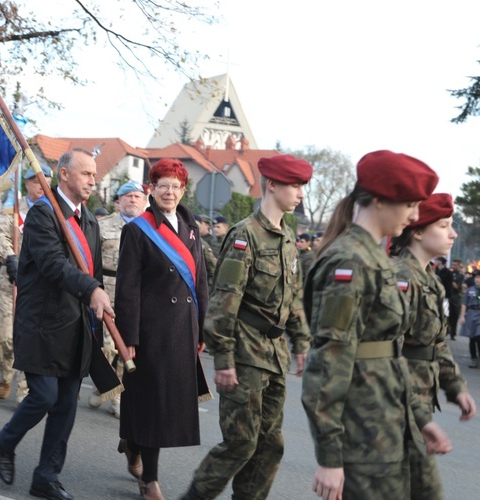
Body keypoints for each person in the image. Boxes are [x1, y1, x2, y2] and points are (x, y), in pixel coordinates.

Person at [302, 150, 452, 500]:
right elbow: (328, 361)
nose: (415, 215)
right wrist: (329, 456)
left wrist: (418, 417)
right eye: (409, 204)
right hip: (363, 432)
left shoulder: (375, 260)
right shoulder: (350, 262)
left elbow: (390, 351)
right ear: (381, 201)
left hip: (389, 419)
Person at [181, 154, 312, 500]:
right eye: (295, 186)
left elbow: (292, 296)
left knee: (270, 445)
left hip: (275, 354)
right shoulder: (245, 235)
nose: (301, 193)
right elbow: (225, 301)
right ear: (272, 185)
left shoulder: (287, 238)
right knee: (241, 442)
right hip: (244, 353)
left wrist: (301, 341)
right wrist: (223, 359)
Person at [0, 149, 112, 500]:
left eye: (94, 175)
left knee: (67, 406)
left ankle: (46, 476)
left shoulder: (89, 221)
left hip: (76, 327)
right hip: (42, 323)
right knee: (43, 396)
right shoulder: (44, 214)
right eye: (86, 173)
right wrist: (91, 289)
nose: (93, 180)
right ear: (63, 174)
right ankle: (5, 440)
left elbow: (95, 274)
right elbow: (52, 264)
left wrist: (99, 315)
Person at [115, 160, 210, 500]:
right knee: (154, 404)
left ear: (183, 191)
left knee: (167, 406)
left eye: (176, 186)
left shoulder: (191, 227)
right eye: (163, 185)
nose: (170, 192)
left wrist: (201, 330)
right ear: (150, 189)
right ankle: (149, 480)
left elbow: (200, 281)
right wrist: (130, 337)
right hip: (151, 331)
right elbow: (127, 288)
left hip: (182, 330)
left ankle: (133, 441)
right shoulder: (137, 230)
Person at [390, 193, 476, 499]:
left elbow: (436, 342)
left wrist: (456, 386)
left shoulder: (428, 278)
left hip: (417, 401)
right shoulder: (401, 278)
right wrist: (420, 417)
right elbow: (389, 355)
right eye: (444, 225)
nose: (453, 233)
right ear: (418, 231)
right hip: (397, 406)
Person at [0, 164, 53, 402]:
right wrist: (10, 257)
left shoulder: (55, 212)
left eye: (44, 180)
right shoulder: (14, 210)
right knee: (3, 337)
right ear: (26, 183)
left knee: (31, 342)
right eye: (35, 181)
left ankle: (25, 392)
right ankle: (6, 373)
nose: (40, 185)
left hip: (40, 287)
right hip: (11, 282)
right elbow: (1, 237)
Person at [89, 180, 148, 418]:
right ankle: (105, 385)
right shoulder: (102, 226)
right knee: (107, 347)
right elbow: (92, 261)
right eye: (128, 196)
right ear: (118, 202)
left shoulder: (152, 229)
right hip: (108, 291)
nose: (132, 200)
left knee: (128, 347)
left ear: (144, 202)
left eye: (137, 196)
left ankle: (118, 396)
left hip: (138, 295)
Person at [459, 270, 480, 368]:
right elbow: (464, 304)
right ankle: (473, 358)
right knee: (472, 338)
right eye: (476, 278)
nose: (478, 280)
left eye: (479, 278)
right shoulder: (470, 290)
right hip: (471, 314)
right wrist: (462, 316)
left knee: (479, 337)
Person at [449, 258, 465, 340]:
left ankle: (453, 333)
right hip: (449, 297)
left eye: (455, 265)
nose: (453, 266)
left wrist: (452, 283)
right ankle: (447, 331)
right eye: (453, 265)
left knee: (455, 316)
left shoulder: (461, 276)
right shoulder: (450, 273)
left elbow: (458, 287)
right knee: (448, 316)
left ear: (459, 265)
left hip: (457, 298)